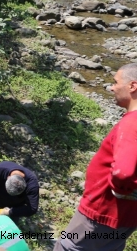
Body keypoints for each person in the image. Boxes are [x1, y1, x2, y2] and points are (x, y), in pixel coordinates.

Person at [54, 63, 137, 251]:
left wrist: (123, 190)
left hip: (101, 214)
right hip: (127, 217)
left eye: (116, 82)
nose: (112, 87)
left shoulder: (131, 123)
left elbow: (122, 173)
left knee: (68, 247)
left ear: (132, 86)